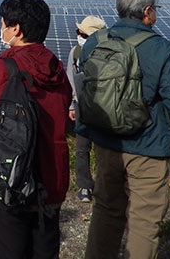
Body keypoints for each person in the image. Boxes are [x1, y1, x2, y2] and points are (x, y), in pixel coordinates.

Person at [79, 0, 170, 259]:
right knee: (144, 222)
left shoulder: (95, 41)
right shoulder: (162, 49)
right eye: (155, 9)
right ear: (147, 12)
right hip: (148, 147)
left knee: (106, 210)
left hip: (106, 143)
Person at [0, 0, 72, 259]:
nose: (1, 30)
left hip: (9, 182)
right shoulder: (57, 70)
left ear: (16, 29)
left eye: (3, 25)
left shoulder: (0, 69)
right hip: (51, 180)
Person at [66, 15, 106, 203]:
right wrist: (71, 105)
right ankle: (84, 185)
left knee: (101, 147)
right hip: (81, 104)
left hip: (103, 106)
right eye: (79, 32)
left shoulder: (109, 52)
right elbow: (70, 80)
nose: (79, 35)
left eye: (82, 33)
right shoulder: (75, 52)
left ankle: (103, 184)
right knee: (82, 147)